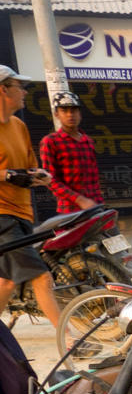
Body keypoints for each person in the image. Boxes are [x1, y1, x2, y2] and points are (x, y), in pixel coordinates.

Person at [0, 66, 62, 326]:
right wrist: (6, 175)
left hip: (23, 212)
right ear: (3, 90)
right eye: (20, 87)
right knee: (41, 277)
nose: (25, 92)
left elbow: (29, 167)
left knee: (7, 281)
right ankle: (70, 339)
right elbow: (9, 173)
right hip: (2, 216)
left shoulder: (19, 126)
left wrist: (40, 176)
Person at [39, 90, 103, 213]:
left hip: (96, 206)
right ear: (56, 114)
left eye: (74, 110)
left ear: (80, 113)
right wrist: (80, 200)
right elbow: (49, 180)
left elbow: (94, 178)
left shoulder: (88, 141)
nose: (70, 115)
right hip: (70, 210)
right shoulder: (51, 141)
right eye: (64, 111)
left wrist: (98, 204)